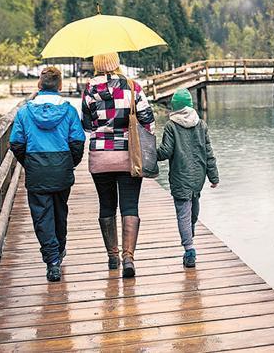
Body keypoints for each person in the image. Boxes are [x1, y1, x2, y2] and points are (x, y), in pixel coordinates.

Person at [81, 52, 155, 278]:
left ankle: (112, 256)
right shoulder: (133, 87)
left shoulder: (89, 89)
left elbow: (86, 124)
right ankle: (128, 258)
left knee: (106, 205)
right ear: (116, 63)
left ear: (96, 65)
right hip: (129, 155)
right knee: (130, 206)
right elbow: (148, 120)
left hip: (100, 155)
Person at [9, 67, 86, 282]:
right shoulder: (69, 111)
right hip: (61, 168)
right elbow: (77, 142)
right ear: (60, 86)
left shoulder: (24, 112)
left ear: (39, 85)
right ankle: (59, 250)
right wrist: (69, 163)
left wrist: (29, 163)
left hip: (37, 170)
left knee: (42, 216)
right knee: (61, 211)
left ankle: (52, 261)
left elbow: (16, 143)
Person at [157, 88, 219, 268]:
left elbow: (165, 152)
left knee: (184, 214)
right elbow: (209, 154)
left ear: (174, 107)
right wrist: (213, 177)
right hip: (198, 178)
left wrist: (148, 152)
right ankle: (189, 241)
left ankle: (189, 249)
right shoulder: (201, 124)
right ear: (190, 105)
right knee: (192, 213)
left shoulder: (171, 126)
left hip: (180, 177)